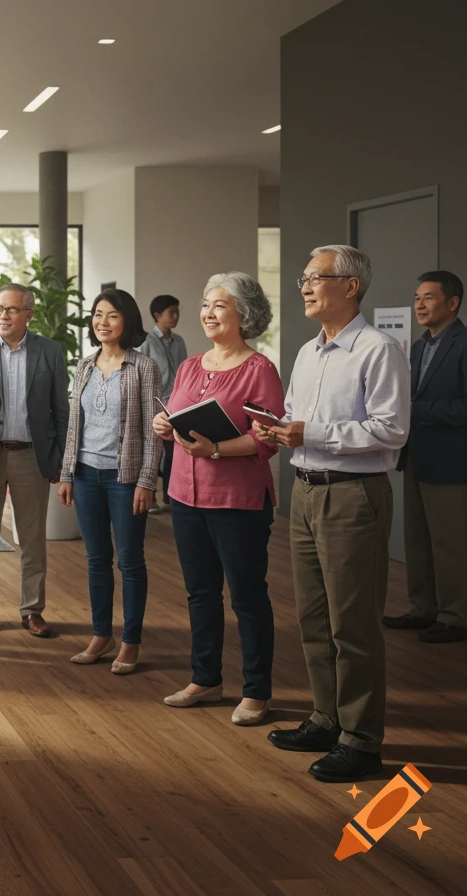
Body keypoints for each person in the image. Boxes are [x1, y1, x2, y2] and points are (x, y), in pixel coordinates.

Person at [257, 245, 409, 783]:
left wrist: (309, 432)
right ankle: (327, 718)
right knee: (315, 618)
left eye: (314, 277)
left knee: (354, 623)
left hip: (353, 496)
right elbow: (297, 418)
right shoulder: (306, 352)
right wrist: (276, 428)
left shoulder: (379, 349)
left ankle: (363, 743)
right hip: (303, 490)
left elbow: (391, 430)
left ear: (350, 286)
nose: (303, 286)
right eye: (302, 278)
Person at [152, 273, 282, 725]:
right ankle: (205, 677)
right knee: (200, 592)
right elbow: (177, 414)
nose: (208, 313)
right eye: (205, 304)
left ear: (243, 315)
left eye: (219, 306)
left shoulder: (259, 369)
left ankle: (257, 690)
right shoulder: (190, 365)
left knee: (247, 595)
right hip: (185, 496)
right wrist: (163, 424)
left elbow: (267, 440)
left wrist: (217, 450)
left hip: (238, 498)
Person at [57, 289, 161, 675]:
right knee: (96, 560)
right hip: (85, 475)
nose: (102, 322)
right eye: (97, 315)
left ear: (127, 322)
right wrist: (67, 473)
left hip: (124, 477)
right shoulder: (84, 365)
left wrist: (147, 481)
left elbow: (154, 432)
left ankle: (131, 640)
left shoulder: (143, 368)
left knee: (130, 562)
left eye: (112, 315)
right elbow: (74, 427)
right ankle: (102, 634)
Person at [0, 283, 69, 638]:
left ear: (29, 314)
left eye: (11, 310)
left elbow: (61, 409)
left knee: (32, 538)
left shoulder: (50, 351)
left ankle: (32, 609)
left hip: (31, 456)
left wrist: (58, 459)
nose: (2, 316)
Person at [386, 270, 467, 643]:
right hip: (415, 454)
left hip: (452, 461)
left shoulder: (465, 343)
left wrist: (415, 410)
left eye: (428, 298)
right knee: (417, 538)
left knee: (450, 543)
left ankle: (456, 617)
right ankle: (424, 609)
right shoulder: (418, 347)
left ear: (452, 303)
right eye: (417, 297)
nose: (419, 304)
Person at [141, 294, 188, 511]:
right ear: (157, 315)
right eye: (172, 312)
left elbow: (185, 373)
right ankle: (150, 498)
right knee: (152, 451)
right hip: (152, 405)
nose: (176, 316)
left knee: (173, 450)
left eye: (177, 312)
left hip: (175, 406)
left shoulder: (179, 341)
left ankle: (170, 497)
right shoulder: (146, 342)